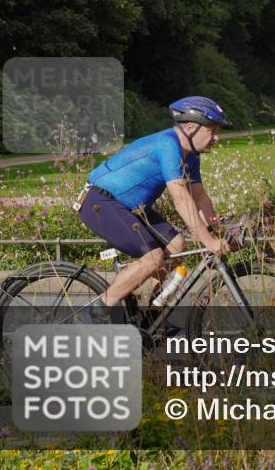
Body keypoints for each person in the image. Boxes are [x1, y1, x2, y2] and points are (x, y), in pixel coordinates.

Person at [77, 96, 234, 326]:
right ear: (190, 127)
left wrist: (216, 230)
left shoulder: (190, 155)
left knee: (177, 245)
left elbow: (199, 196)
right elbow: (181, 198)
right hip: (100, 201)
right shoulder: (167, 145)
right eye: (212, 131)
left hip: (131, 207)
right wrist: (208, 241)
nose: (216, 137)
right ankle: (94, 312)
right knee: (152, 257)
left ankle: (151, 316)